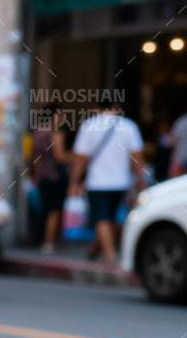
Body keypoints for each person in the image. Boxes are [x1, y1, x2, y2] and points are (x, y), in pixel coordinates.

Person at [70, 104, 146, 268]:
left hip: (97, 182)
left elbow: (80, 159)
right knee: (110, 219)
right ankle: (95, 249)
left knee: (102, 219)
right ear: (117, 107)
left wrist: (74, 181)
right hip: (121, 182)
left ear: (97, 107)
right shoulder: (129, 126)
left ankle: (110, 256)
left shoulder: (89, 126)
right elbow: (138, 157)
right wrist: (141, 180)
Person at [30, 125, 70, 254]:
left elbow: (36, 159)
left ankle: (41, 239)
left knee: (45, 209)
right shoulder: (56, 133)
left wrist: (36, 176)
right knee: (54, 210)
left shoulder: (37, 133)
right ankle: (49, 242)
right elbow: (60, 156)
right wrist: (76, 157)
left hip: (42, 176)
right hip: (55, 176)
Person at [171, 108, 187, 178]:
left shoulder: (182, 121)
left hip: (180, 158)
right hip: (181, 158)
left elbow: (172, 140)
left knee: (176, 182)